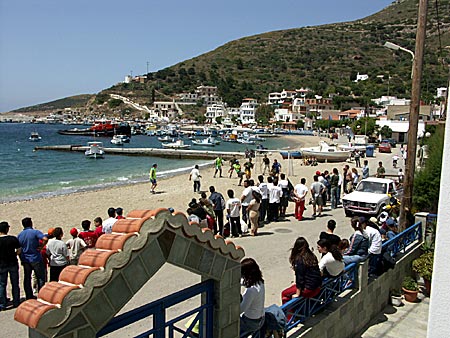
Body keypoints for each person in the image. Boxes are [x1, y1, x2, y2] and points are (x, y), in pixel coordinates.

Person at [281, 237, 321, 303]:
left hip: (308, 290)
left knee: (284, 294)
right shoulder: (312, 256)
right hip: (317, 287)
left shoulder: (299, 260)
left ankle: (289, 313)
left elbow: (300, 278)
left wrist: (297, 293)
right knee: (293, 286)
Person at [17, 217, 47, 300]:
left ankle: (29, 295)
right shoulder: (35, 232)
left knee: (27, 277)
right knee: (40, 277)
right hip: (35, 257)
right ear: (31, 223)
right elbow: (45, 238)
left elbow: (18, 248)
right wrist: (41, 247)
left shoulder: (20, 235)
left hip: (25, 259)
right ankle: (41, 294)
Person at [240, 258, 265, 338]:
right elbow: (243, 282)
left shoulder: (251, 291)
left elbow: (241, 310)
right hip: (261, 318)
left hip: (251, 323)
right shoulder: (260, 282)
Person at [0, 221, 21, 310]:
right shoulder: (12, 239)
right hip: (12, 263)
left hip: (1, 264)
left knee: (2, 284)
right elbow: (19, 250)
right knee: (15, 283)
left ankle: (2, 303)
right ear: (7, 229)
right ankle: (16, 301)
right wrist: (14, 254)